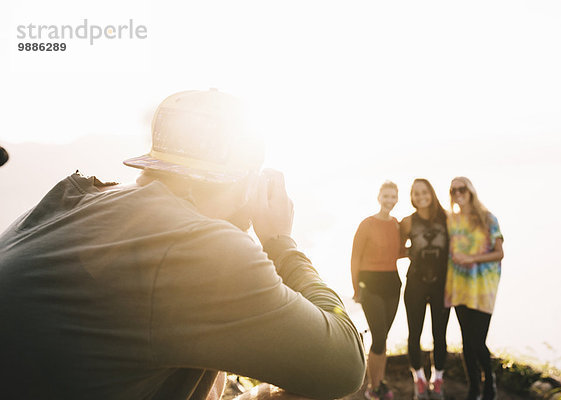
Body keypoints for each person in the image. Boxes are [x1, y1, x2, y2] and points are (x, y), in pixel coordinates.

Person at [0, 89, 366, 400]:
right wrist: (281, 243)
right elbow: (346, 365)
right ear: (249, 184)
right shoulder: (195, 245)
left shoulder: (72, 201)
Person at [444, 177, 504, 400]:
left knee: (477, 341)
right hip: (459, 287)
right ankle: (473, 388)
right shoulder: (452, 220)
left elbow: (499, 253)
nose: (458, 193)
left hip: (482, 288)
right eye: (454, 190)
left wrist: (471, 258)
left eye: (462, 189)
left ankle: (489, 382)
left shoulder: (488, 219)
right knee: (466, 342)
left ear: (471, 191)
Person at [399, 179, 450, 400]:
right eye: (416, 193)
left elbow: (459, 246)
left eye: (424, 192)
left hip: (442, 284)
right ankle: (419, 379)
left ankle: (437, 380)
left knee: (440, 334)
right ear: (412, 196)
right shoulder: (407, 222)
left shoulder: (447, 218)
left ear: (431, 193)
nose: (421, 196)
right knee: (415, 334)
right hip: (416, 283)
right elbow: (398, 249)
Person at [351, 181, 401, 400]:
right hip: (369, 285)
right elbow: (355, 258)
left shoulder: (397, 224)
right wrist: (356, 289)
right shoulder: (366, 224)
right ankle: (372, 388)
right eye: (386, 196)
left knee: (383, 338)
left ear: (397, 199)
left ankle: (380, 383)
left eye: (393, 196)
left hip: (392, 284)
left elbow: (396, 252)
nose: (389, 200)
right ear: (379, 197)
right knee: (379, 336)